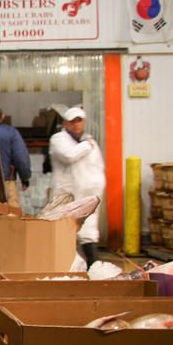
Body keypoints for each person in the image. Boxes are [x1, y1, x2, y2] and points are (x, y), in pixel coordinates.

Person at [49, 106, 105, 266]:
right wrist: (87, 146)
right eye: (72, 122)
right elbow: (69, 155)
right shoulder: (59, 139)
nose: (76, 125)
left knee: (89, 231)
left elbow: (97, 167)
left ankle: (92, 267)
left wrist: (95, 189)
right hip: (64, 194)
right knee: (63, 230)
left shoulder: (88, 140)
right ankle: (64, 266)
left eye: (79, 121)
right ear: (66, 123)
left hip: (85, 193)